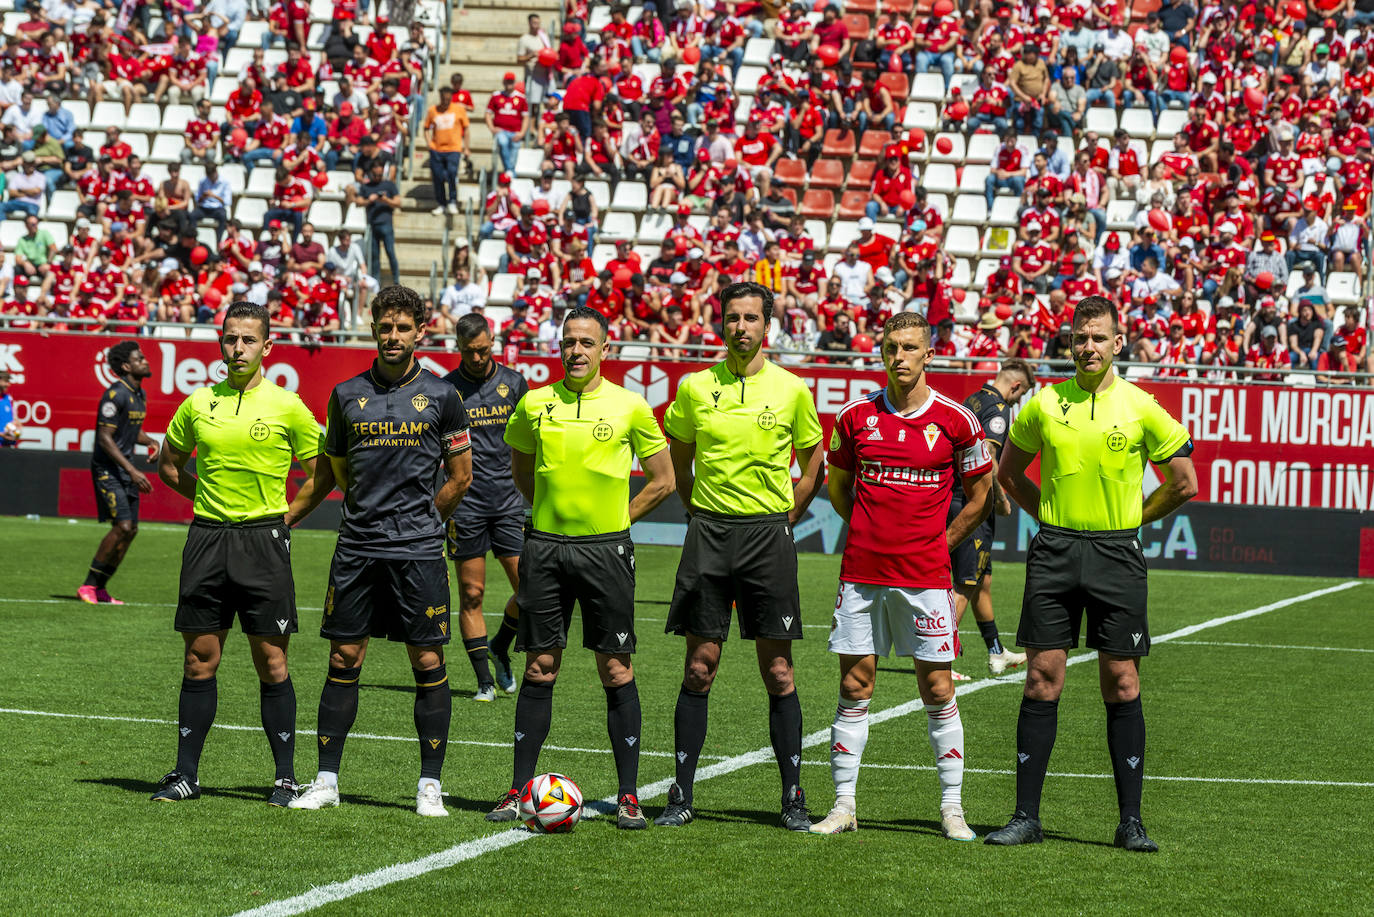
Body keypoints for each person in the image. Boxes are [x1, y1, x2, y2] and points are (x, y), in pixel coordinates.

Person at [986, 295, 1197, 851]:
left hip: (1117, 554)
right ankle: (1025, 817)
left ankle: (1131, 822)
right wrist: (1051, 522)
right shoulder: (1044, 404)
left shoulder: (1142, 405)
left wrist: (1132, 521)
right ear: (1069, 342)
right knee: (1041, 678)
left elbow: (1184, 481)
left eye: (1098, 338)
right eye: (1080, 338)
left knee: (1121, 680)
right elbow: (1007, 475)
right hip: (1054, 551)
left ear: (1117, 343)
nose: (1088, 347)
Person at [485, 305, 675, 830]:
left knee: (616, 668)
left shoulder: (631, 406)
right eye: (569, 342)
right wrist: (549, 515)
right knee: (540, 667)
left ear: (604, 349)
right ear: (559, 346)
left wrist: (618, 520)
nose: (576, 351)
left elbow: (663, 480)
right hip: (544, 549)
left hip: (606, 552)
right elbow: (522, 469)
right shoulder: (534, 403)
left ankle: (629, 796)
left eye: (587, 343)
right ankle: (519, 789)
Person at [289, 285, 474, 817]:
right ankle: (326, 780)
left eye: (402, 328)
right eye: (384, 327)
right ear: (373, 330)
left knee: (428, 659)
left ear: (420, 333)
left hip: (417, 551)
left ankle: (429, 786)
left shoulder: (443, 396)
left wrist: (420, 521)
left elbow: (461, 478)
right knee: (344, 656)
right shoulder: (346, 394)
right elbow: (338, 472)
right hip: (358, 548)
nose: (392, 337)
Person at [810, 311, 995, 840]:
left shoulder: (959, 420)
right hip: (862, 573)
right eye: (892, 347)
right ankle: (843, 806)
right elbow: (840, 488)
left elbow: (981, 497)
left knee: (938, 688)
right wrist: (872, 529)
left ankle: (952, 809)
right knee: (854, 684)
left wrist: (941, 542)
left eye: (910, 347)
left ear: (928, 354)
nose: (900, 357)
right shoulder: (854, 417)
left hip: (927, 577)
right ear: (882, 352)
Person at [656, 281, 826, 831]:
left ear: (766, 326)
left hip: (766, 540)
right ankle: (681, 795)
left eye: (751, 318)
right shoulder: (693, 388)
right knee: (699, 668)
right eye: (733, 318)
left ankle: (793, 797)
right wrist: (697, 510)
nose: (741, 328)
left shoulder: (793, 389)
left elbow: (812, 461)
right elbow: (679, 460)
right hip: (708, 534)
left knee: (778, 672)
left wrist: (784, 518)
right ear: (721, 323)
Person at [152, 301, 330, 804]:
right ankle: (186, 774)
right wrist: (208, 500)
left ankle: (284, 778)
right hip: (207, 538)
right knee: (197, 660)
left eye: (248, 340)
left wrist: (286, 517)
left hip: (263, 542)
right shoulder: (197, 404)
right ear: (220, 343)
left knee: (272, 661)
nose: (238, 348)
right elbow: (170, 466)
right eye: (230, 338)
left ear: (266, 347)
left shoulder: (288, 405)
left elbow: (321, 475)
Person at [441, 313, 530, 700]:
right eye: (469, 352)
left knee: (532, 591)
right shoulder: (445, 390)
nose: (477, 358)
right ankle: (483, 682)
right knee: (472, 594)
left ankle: (499, 646)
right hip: (466, 506)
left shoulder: (514, 383)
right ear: (458, 348)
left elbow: (529, 443)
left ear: (492, 341)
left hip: (509, 503)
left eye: (482, 350)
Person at [948, 360, 1036, 680]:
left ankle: (996, 651)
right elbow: (987, 458)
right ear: (1015, 386)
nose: (1018, 399)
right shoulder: (999, 409)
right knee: (965, 582)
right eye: (1021, 393)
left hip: (955, 496)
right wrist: (1000, 499)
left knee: (981, 582)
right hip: (974, 502)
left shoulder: (973, 400)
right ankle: (939, 660)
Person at [79, 342, 157, 605]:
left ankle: (101, 588)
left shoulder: (139, 395)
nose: (145, 361)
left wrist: (151, 442)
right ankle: (88, 585)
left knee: (131, 530)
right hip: (108, 470)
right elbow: (105, 438)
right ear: (126, 366)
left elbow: (131, 431)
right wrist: (133, 470)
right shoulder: (116, 395)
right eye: (140, 358)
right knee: (122, 525)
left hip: (124, 470)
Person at [0, 371, 19, 446]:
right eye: (6, 381)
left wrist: (17, 429)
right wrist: (2, 435)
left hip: (8, 446)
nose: (8, 384)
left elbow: (14, 419)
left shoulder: (8, 398)